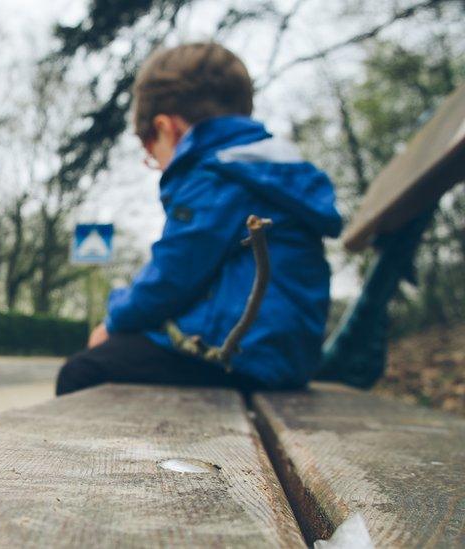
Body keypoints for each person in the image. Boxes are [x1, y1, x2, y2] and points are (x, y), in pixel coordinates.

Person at [56, 42, 342, 396]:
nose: (158, 166)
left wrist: (112, 321)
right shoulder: (268, 171)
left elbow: (171, 278)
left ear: (167, 128)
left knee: (83, 371)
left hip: (237, 357)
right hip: (283, 358)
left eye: (152, 154)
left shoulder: (216, 176)